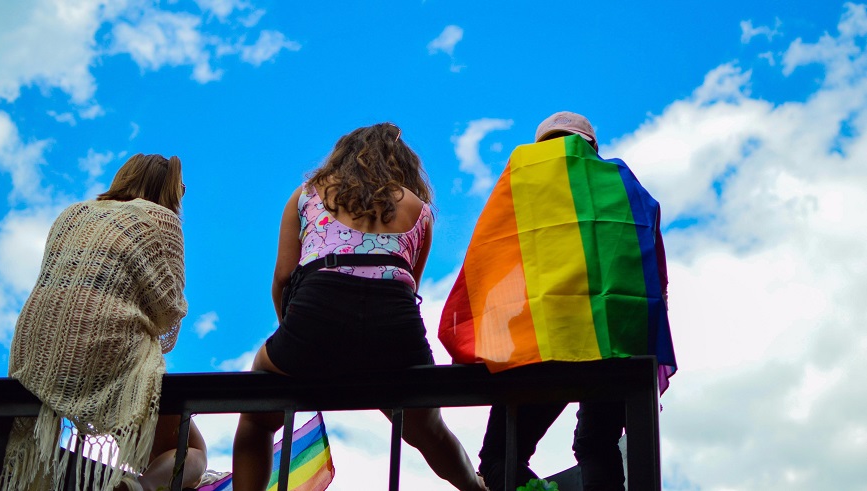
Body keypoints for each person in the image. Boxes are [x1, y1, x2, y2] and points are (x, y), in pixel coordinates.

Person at [232, 123, 486, 491]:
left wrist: (296, 336)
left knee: (257, 414)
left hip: (317, 311)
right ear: (404, 164)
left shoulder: (308, 194)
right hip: (394, 325)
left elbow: (284, 278)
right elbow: (407, 284)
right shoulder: (419, 210)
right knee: (428, 429)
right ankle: (476, 487)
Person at [475, 112, 671, 491]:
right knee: (597, 445)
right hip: (615, 341)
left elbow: (493, 259)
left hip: (543, 339)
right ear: (592, 147)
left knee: (501, 456)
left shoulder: (522, 183)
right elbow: (651, 272)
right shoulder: (624, 185)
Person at [0, 154, 208, 491]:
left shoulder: (72, 214)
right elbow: (168, 309)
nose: (183, 193)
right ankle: (138, 487)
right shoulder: (162, 219)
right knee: (190, 451)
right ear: (170, 188)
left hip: (35, 354)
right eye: (181, 187)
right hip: (107, 353)